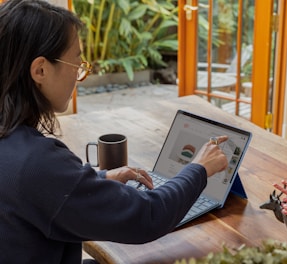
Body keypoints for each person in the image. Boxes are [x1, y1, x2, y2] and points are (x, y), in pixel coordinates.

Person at [0, 0, 228, 263]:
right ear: (40, 69)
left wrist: (99, 180)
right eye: (76, 65)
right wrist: (199, 168)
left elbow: (36, 194)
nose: (78, 76)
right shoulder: (36, 162)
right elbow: (147, 216)